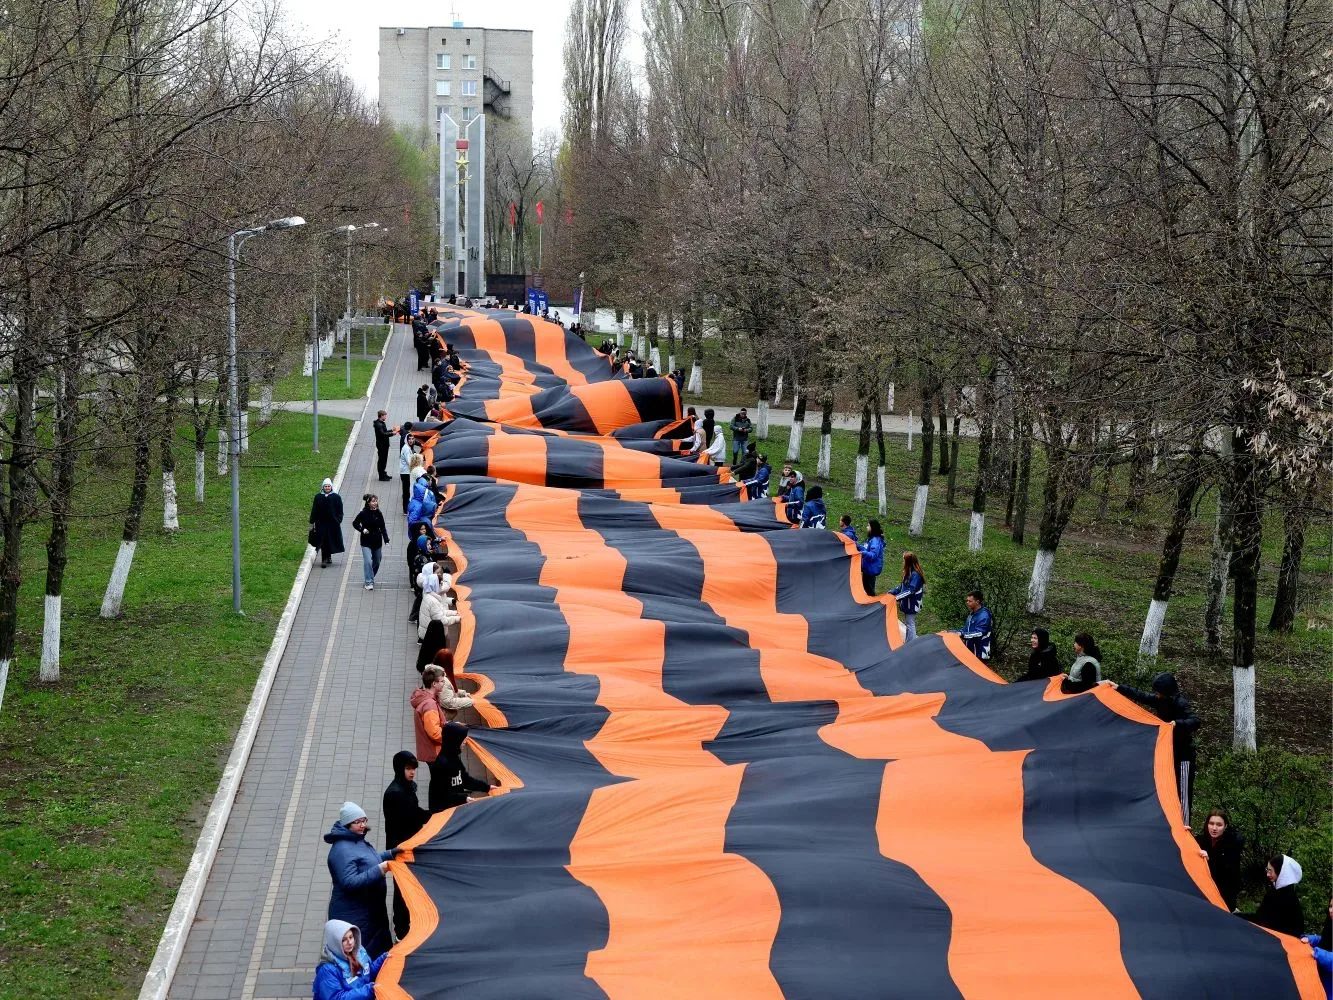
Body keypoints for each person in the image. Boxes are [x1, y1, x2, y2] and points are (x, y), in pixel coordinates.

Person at [1107, 671, 1201, 806]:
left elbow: (1195, 721)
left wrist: (1177, 723)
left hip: (1184, 757)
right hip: (1167, 753)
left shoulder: (1181, 703)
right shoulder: (1160, 701)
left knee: (1183, 793)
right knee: (1166, 790)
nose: (1156, 695)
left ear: (1167, 691)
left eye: (1159, 692)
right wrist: (1119, 687)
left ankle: (1184, 825)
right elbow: (1142, 696)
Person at [323, 802, 394, 956]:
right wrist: (380, 869)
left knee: (376, 953)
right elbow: (350, 882)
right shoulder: (341, 850)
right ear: (347, 823)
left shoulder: (355, 839)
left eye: (364, 820)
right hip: (355, 916)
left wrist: (391, 854)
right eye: (358, 822)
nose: (363, 825)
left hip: (368, 912)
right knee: (362, 956)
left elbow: (368, 860)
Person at [383, 751, 432, 939]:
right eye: (408, 768)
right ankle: (401, 930)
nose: (412, 772)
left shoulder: (406, 787)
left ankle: (405, 926)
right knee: (402, 891)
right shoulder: (396, 793)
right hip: (401, 848)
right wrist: (432, 817)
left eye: (413, 768)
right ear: (399, 768)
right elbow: (411, 816)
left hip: (408, 845)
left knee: (406, 888)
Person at [429, 721, 496, 812]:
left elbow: (465, 779)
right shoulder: (441, 764)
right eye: (462, 738)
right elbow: (443, 795)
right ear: (454, 740)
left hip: (454, 807)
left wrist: (487, 787)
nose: (465, 741)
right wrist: (464, 799)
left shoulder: (454, 758)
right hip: (443, 812)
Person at [312, 920, 387, 1000]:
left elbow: (368, 972)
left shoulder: (359, 952)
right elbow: (336, 998)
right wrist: (368, 990)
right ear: (335, 943)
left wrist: (382, 960)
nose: (350, 942)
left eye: (351, 937)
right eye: (344, 940)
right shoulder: (327, 970)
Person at [1194, 808, 1244, 911]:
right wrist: (1185, 835)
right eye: (1211, 823)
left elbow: (1228, 872)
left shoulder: (1233, 844)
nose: (1214, 828)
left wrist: (1209, 860)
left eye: (1219, 825)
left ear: (1225, 826)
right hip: (1203, 891)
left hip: (1224, 894)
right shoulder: (1201, 840)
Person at [1245, 855, 1305, 936]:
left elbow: (1263, 920)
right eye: (1267, 870)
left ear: (1280, 872)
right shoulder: (1277, 891)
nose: (1267, 874)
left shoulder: (1286, 897)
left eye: (1270, 871)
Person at [351, 494, 390, 591]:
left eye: (376, 501)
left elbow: (383, 527)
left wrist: (386, 540)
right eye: (373, 501)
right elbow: (355, 523)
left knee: (377, 561)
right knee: (368, 561)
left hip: (377, 541)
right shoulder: (363, 513)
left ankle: (371, 576)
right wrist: (362, 529)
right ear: (368, 503)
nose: (375, 503)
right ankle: (368, 582)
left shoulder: (379, 513)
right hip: (366, 541)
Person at [888, 552, 925, 641]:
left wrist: (896, 597)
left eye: (904, 560)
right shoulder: (909, 572)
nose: (902, 562)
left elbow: (910, 591)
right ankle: (908, 641)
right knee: (908, 623)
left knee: (910, 623)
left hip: (912, 604)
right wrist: (891, 592)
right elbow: (902, 586)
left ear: (908, 562)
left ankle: (911, 644)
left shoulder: (915, 575)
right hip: (907, 603)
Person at [309, 478, 345, 568]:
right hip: (321, 523)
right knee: (323, 541)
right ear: (323, 487)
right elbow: (314, 509)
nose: (327, 488)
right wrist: (312, 520)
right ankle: (324, 559)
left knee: (330, 540)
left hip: (332, 523)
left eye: (329, 486)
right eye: (326, 486)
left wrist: (338, 520)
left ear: (331, 487)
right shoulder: (318, 497)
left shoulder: (336, 497)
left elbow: (340, 510)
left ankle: (328, 556)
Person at [958, 590, 993, 661]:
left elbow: (980, 633)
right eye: (967, 601)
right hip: (971, 649)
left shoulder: (983, 616)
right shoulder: (972, 614)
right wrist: (952, 632)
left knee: (979, 671)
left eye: (970, 601)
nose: (967, 603)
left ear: (977, 601)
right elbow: (966, 629)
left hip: (980, 651)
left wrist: (962, 635)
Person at [857, 520, 886, 596]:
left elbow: (873, 555)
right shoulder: (871, 539)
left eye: (868, 526)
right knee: (866, 588)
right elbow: (866, 549)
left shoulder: (875, 541)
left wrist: (861, 553)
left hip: (871, 569)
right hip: (868, 569)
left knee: (869, 591)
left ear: (872, 528)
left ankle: (871, 605)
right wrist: (857, 546)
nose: (867, 527)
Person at [398, 423, 416, 514]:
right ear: (407, 440)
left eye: (412, 439)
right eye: (410, 439)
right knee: (406, 492)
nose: (411, 440)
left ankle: (407, 508)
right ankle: (405, 509)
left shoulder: (409, 448)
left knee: (407, 491)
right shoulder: (406, 449)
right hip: (406, 473)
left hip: (406, 472)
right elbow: (410, 462)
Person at [372, 411, 395, 481]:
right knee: (382, 460)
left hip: (384, 445)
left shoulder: (381, 423)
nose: (386, 417)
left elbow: (384, 431)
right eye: (385, 415)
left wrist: (391, 430)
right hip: (382, 445)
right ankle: (381, 476)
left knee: (384, 460)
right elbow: (382, 434)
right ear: (381, 416)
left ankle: (383, 473)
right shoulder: (379, 425)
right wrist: (392, 433)